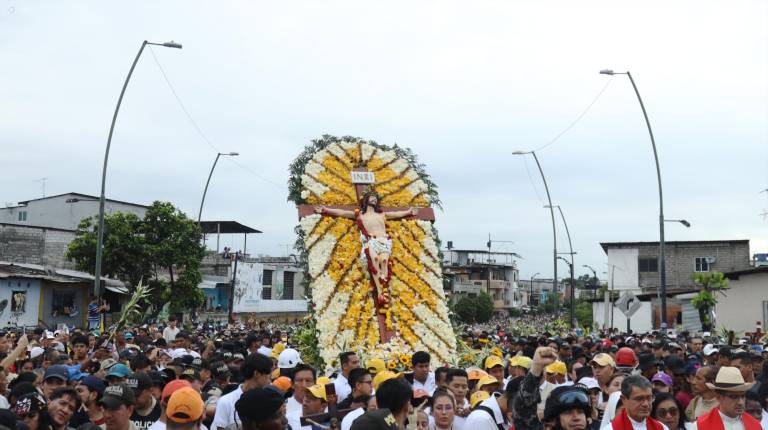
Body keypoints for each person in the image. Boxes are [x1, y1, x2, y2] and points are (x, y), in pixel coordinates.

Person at [212, 353, 272, 430]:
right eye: (269, 376)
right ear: (256, 374)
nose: (270, 381)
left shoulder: (269, 400)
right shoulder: (226, 401)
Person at [692, 366, 762, 430]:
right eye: (734, 397)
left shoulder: (755, 425)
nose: (740, 402)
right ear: (718, 397)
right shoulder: (700, 426)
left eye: (742, 396)